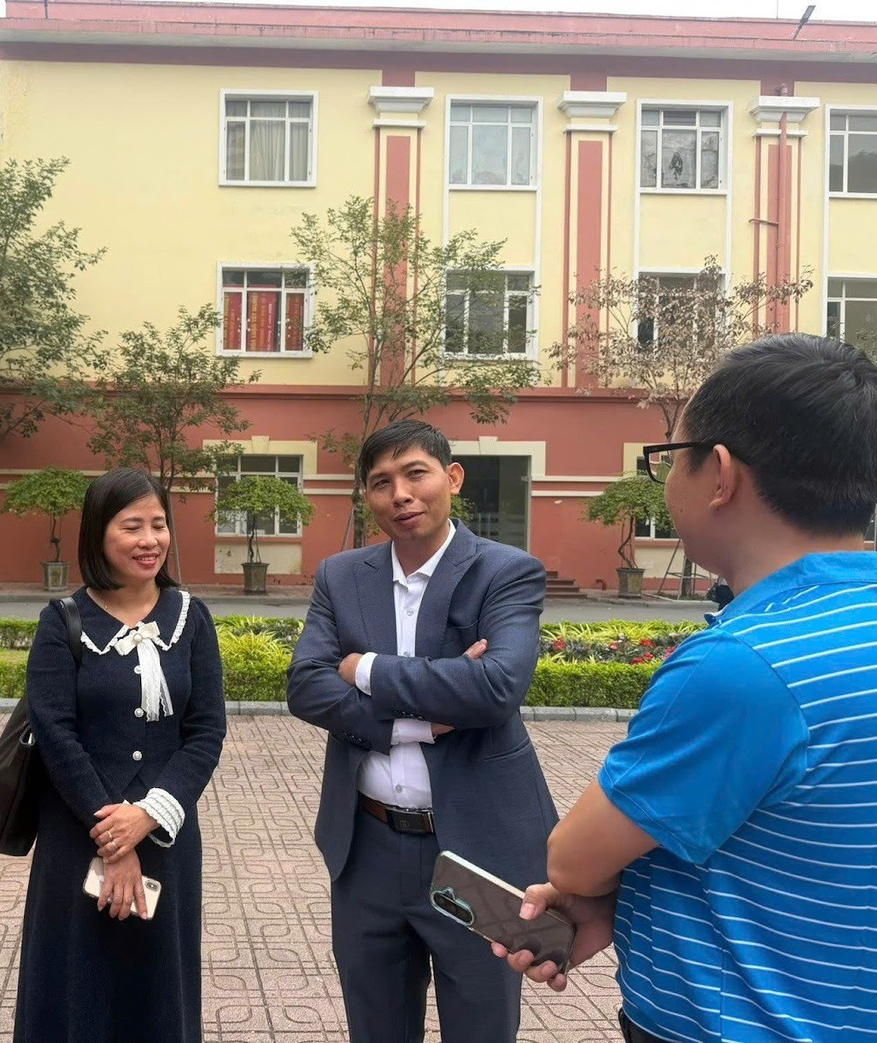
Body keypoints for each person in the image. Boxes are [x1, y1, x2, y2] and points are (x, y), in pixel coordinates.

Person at [495, 334, 877, 1043]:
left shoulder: (742, 664)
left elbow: (573, 858)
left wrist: (602, 890)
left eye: (671, 456)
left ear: (720, 474)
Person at [287, 419, 556, 1043]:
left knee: (482, 1029)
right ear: (367, 497)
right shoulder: (341, 576)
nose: (401, 495)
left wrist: (364, 669)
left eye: (415, 474)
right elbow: (305, 685)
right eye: (381, 482)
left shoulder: (505, 572)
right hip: (367, 848)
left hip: (477, 850)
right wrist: (422, 722)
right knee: (375, 1028)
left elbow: (496, 687)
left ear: (452, 478)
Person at [15, 468, 226, 1043]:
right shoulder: (62, 622)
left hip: (165, 839)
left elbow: (206, 731)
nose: (149, 540)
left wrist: (148, 816)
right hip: (76, 834)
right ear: (98, 534)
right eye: (132, 526)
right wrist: (113, 836)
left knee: (157, 985)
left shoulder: (191, 618)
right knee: (75, 981)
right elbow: (55, 735)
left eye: (158, 524)